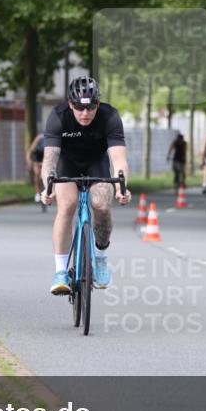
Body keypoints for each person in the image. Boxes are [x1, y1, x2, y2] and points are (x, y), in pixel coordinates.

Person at [40, 76, 132, 295]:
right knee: (67, 206)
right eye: (79, 107)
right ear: (70, 104)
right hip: (67, 164)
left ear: (98, 104)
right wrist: (48, 187)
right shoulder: (58, 117)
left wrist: (121, 188)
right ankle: (61, 272)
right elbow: (50, 160)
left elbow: (119, 160)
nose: (85, 113)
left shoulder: (110, 117)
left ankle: (100, 258)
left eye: (90, 107)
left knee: (101, 204)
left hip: (96, 163)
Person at [26, 133, 45, 202]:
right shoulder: (39, 138)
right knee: (37, 173)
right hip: (37, 156)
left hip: (46, 156)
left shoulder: (53, 139)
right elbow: (30, 151)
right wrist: (29, 161)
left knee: (47, 173)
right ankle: (37, 193)